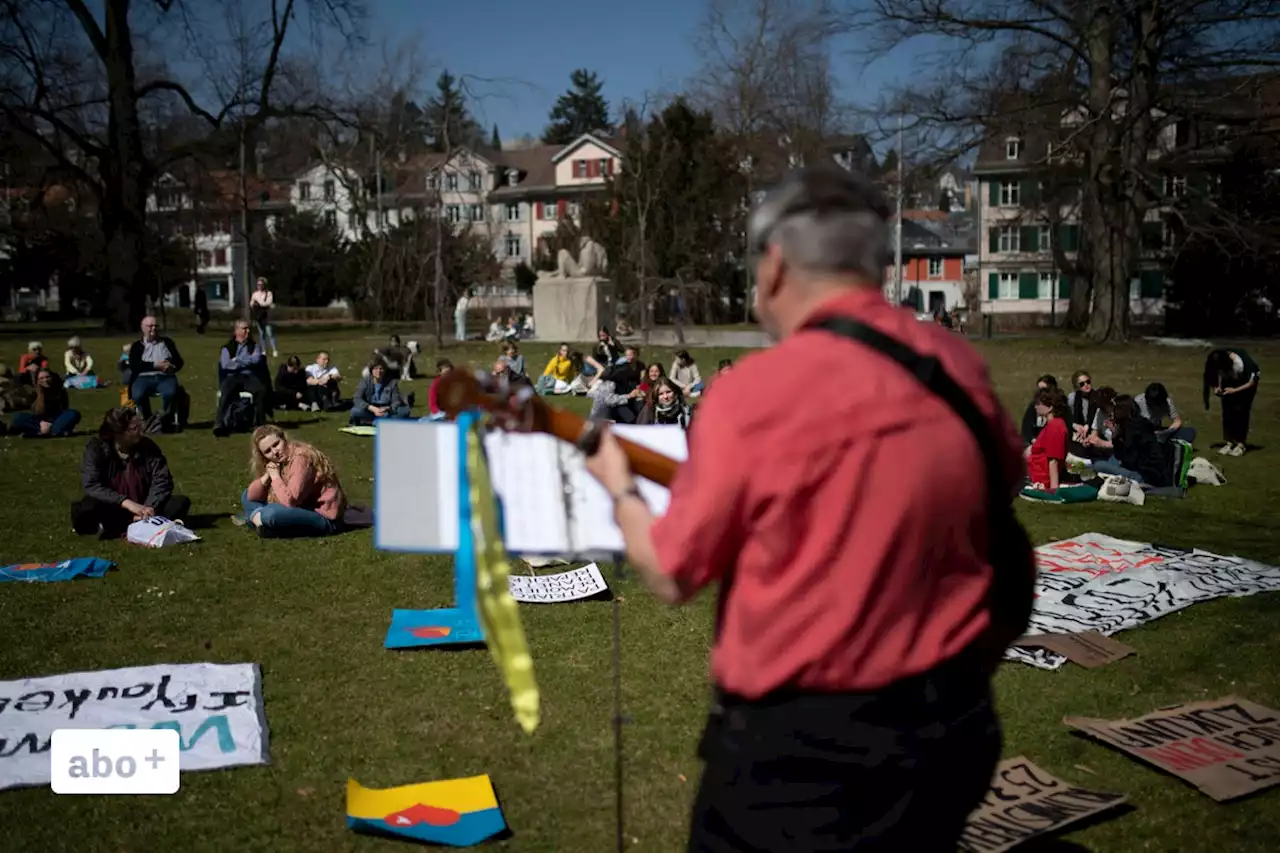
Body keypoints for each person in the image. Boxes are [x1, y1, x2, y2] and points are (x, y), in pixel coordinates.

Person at [584, 166, 1027, 852]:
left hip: (804, 763)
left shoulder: (755, 393)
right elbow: (1001, 491)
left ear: (776, 264)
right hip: (954, 729)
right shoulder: (956, 366)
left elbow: (673, 570)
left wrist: (619, 486)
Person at [72, 407, 191, 538]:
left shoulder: (148, 446)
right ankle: (132, 524)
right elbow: (92, 485)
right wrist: (126, 503)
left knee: (179, 502)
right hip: (114, 505)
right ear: (118, 433)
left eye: (140, 426)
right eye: (134, 429)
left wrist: (147, 508)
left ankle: (127, 524)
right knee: (86, 508)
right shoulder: (96, 449)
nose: (140, 432)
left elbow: (162, 480)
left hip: (144, 503)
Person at [239, 425, 346, 537]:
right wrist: (267, 476)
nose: (275, 452)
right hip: (301, 507)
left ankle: (258, 520)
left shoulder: (301, 458)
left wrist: (275, 477)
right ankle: (260, 521)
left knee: (271, 513)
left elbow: (291, 501)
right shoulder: (280, 461)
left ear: (284, 439)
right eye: (268, 451)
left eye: (276, 444)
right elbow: (251, 496)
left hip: (324, 517)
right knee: (246, 495)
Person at [213, 319, 270, 437]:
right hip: (232, 377)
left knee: (261, 390)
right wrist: (246, 361)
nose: (248, 331)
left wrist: (237, 360)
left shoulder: (254, 346)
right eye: (244, 328)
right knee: (226, 393)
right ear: (237, 331)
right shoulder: (227, 348)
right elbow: (226, 364)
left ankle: (260, 424)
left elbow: (256, 360)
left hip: (248, 376)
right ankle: (219, 423)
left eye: (248, 328)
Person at [128, 316, 185, 426]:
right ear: (143, 328)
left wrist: (172, 367)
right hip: (143, 377)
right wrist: (155, 365)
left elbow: (179, 361)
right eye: (150, 326)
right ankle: (147, 418)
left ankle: (165, 418)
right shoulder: (137, 346)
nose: (153, 329)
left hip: (165, 377)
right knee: (138, 395)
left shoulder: (167, 342)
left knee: (171, 393)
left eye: (155, 326)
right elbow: (134, 366)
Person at [1203, 348, 1260, 457]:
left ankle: (1240, 444)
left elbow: (1252, 382)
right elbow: (1216, 373)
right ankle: (1229, 442)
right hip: (1229, 382)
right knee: (1227, 412)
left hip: (1245, 385)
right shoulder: (1220, 359)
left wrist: (1235, 390)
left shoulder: (1244, 363)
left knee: (1241, 412)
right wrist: (1217, 387)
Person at [10, 367, 81, 437]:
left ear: (52, 377)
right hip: (38, 421)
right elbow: (36, 412)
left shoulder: (59, 390)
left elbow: (64, 408)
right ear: (37, 380)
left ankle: (46, 431)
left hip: (56, 419)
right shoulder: (34, 393)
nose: (45, 380)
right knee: (18, 417)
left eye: (47, 377)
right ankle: (51, 431)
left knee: (73, 413)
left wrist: (51, 423)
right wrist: (41, 422)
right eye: (41, 378)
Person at [1025, 388, 1071, 491]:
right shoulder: (1053, 424)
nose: (1035, 406)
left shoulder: (1055, 427)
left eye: (1038, 403)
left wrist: (1053, 489)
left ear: (1050, 407)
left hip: (1040, 478)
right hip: (1035, 472)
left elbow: (1053, 461)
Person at [350, 359, 411, 425]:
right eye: (375, 369)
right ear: (371, 370)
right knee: (355, 411)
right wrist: (372, 408)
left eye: (381, 369)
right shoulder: (365, 382)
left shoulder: (392, 382)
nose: (378, 371)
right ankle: (381, 422)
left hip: (386, 411)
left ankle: (374, 422)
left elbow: (396, 401)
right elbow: (357, 398)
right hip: (370, 410)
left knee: (404, 411)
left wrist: (388, 408)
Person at [1019, 375, 1058, 446]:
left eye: (1043, 389)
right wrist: (1033, 440)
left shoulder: (1059, 408)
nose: (1040, 392)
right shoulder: (1033, 406)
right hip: (1032, 443)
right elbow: (1026, 428)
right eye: (1038, 389)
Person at [249, 277, 278, 357]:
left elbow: (268, 303)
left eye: (261, 284)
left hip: (266, 316)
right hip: (258, 316)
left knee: (270, 333)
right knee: (262, 334)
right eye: (258, 284)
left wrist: (258, 303)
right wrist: (254, 304)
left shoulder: (268, 293)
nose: (260, 286)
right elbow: (251, 303)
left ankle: (274, 350)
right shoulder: (255, 294)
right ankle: (264, 350)